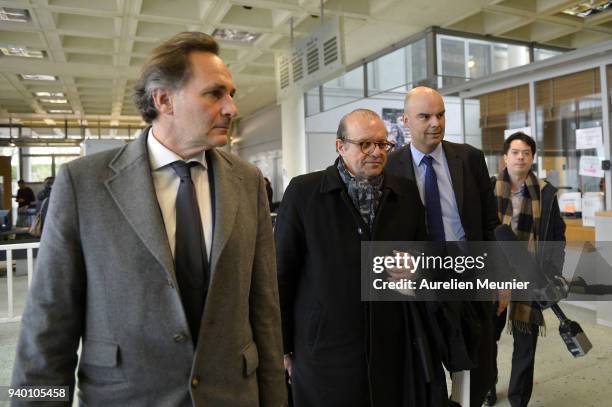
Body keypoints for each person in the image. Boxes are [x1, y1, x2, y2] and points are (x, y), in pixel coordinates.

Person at [11, 32, 286, 406]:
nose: (230, 109)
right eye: (214, 94)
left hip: (232, 395)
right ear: (163, 99)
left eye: (231, 95)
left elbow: (264, 309)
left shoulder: (247, 181)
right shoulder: (84, 184)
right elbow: (47, 324)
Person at [275, 108, 451, 406]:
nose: (376, 152)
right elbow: (282, 273)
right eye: (365, 144)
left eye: (383, 144)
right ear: (340, 146)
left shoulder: (405, 193)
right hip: (325, 351)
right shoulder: (305, 193)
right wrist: (283, 346)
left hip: (392, 344)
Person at [386, 86, 502, 407]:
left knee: (476, 375)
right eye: (425, 116)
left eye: (440, 114)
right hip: (421, 290)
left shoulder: (469, 158)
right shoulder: (390, 168)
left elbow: (490, 225)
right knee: (427, 376)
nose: (436, 123)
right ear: (406, 120)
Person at [486, 132, 566, 407]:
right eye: (516, 152)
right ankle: (487, 384)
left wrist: (553, 271)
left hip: (529, 273)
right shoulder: (487, 189)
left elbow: (557, 235)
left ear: (532, 158)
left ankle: (518, 398)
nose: (521, 157)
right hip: (493, 274)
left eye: (526, 153)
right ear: (505, 157)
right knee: (487, 337)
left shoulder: (545, 192)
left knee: (525, 342)